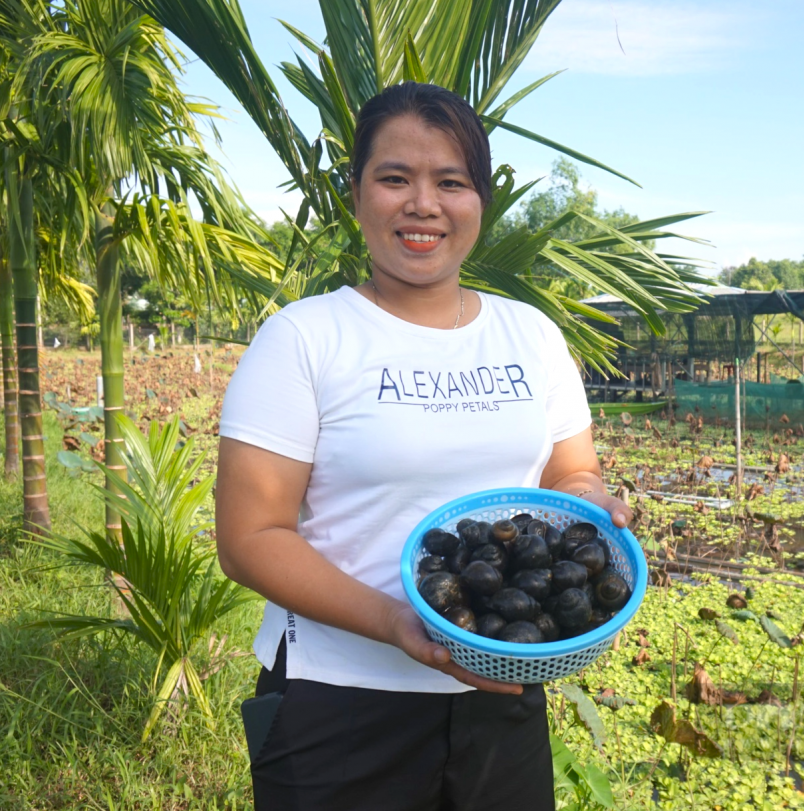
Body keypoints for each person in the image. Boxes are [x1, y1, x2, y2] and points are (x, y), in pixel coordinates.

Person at [215, 82, 632, 811]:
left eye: (451, 181)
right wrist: (396, 622)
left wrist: (592, 505)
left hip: (503, 689)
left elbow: (571, 470)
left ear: (481, 200)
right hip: (337, 701)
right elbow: (250, 535)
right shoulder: (306, 338)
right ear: (356, 194)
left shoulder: (531, 335)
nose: (423, 204)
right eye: (394, 178)